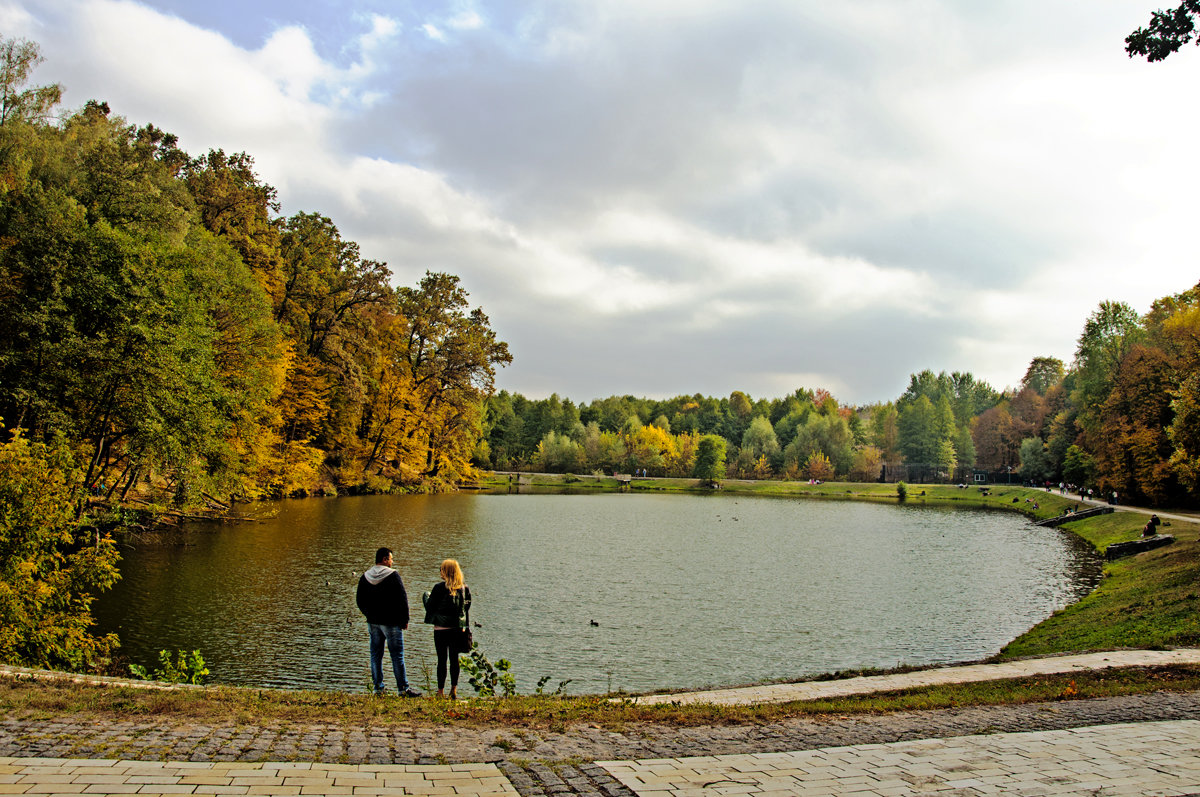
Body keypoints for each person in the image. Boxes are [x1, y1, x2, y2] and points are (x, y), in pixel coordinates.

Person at [356, 547, 421, 697]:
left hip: (373, 622)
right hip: (391, 622)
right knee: (397, 655)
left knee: (375, 655)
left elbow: (359, 600)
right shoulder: (393, 575)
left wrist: (368, 614)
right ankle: (403, 689)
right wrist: (405, 619)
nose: (392, 561)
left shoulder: (366, 576)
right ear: (385, 559)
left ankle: (378, 688)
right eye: (391, 559)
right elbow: (402, 598)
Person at [423, 559, 472, 699]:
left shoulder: (438, 588)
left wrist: (426, 597)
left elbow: (430, 607)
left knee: (442, 660)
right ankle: (454, 689)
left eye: (442, 569)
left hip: (440, 629)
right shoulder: (464, 588)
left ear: (446, 572)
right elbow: (466, 608)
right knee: (454, 659)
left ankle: (440, 691)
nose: (440, 571)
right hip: (456, 629)